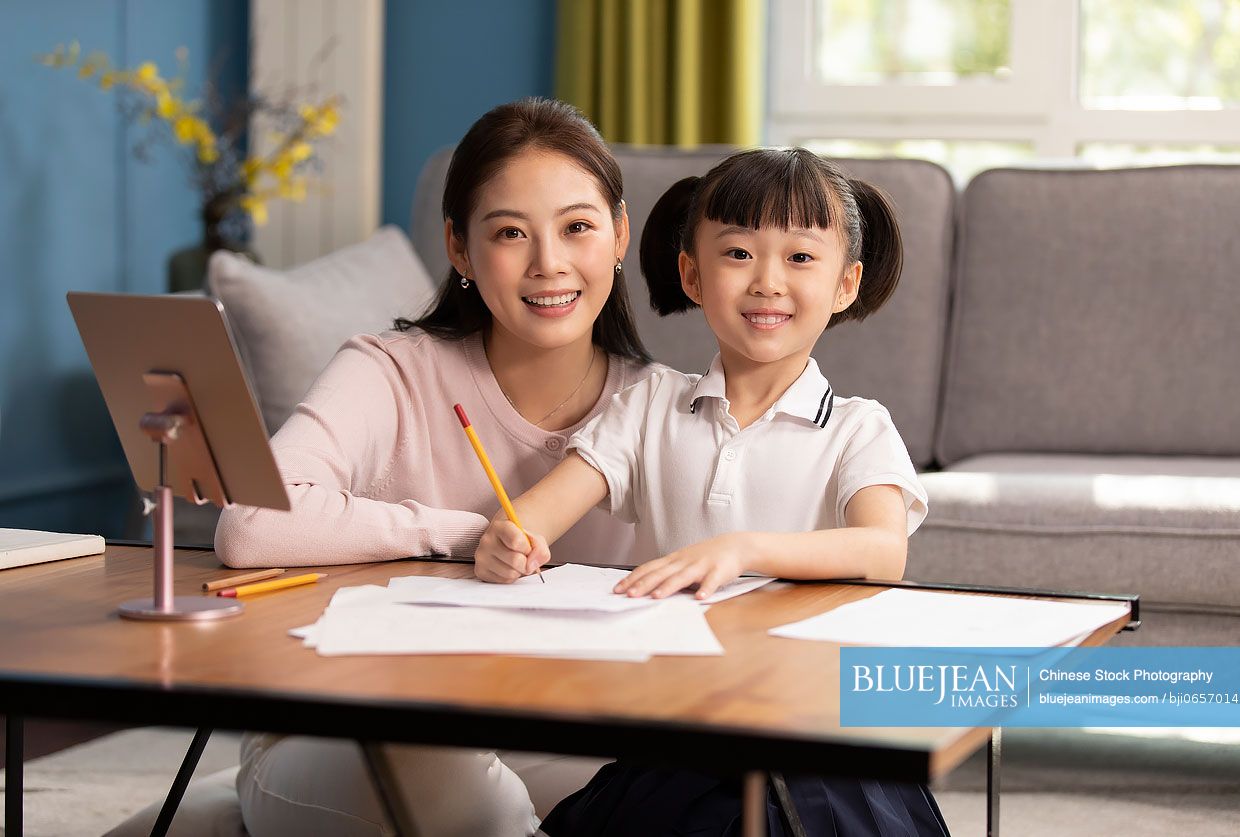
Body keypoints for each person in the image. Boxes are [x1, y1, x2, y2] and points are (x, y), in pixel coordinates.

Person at [214, 98, 662, 837]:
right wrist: (462, 535)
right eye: (510, 233)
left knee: (690, 785)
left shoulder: (661, 405)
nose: (548, 263)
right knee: (430, 748)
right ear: (459, 247)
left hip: (549, 727)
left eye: (576, 227)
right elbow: (252, 523)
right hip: (351, 717)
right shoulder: (389, 369)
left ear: (618, 233)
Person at [475, 148, 951, 836]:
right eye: (737, 253)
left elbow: (882, 551)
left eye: (799, 257)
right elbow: (535, 516)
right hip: (681, 731)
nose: (767, 282)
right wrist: (509, 537)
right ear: (692, 276)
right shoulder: (647, 406)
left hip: (812, 731)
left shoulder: (856, 426)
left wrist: (742, 550)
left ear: (846, 284)